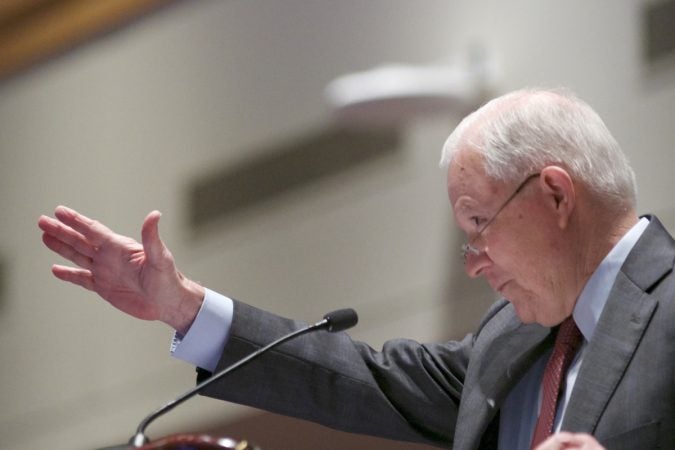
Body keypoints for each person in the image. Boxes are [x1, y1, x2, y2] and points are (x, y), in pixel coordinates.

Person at [38, 88, 674, 450]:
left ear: (556, 196)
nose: (475, 265)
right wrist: (182, 306)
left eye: (479, 225)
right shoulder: (509, 342)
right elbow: (361, 380)